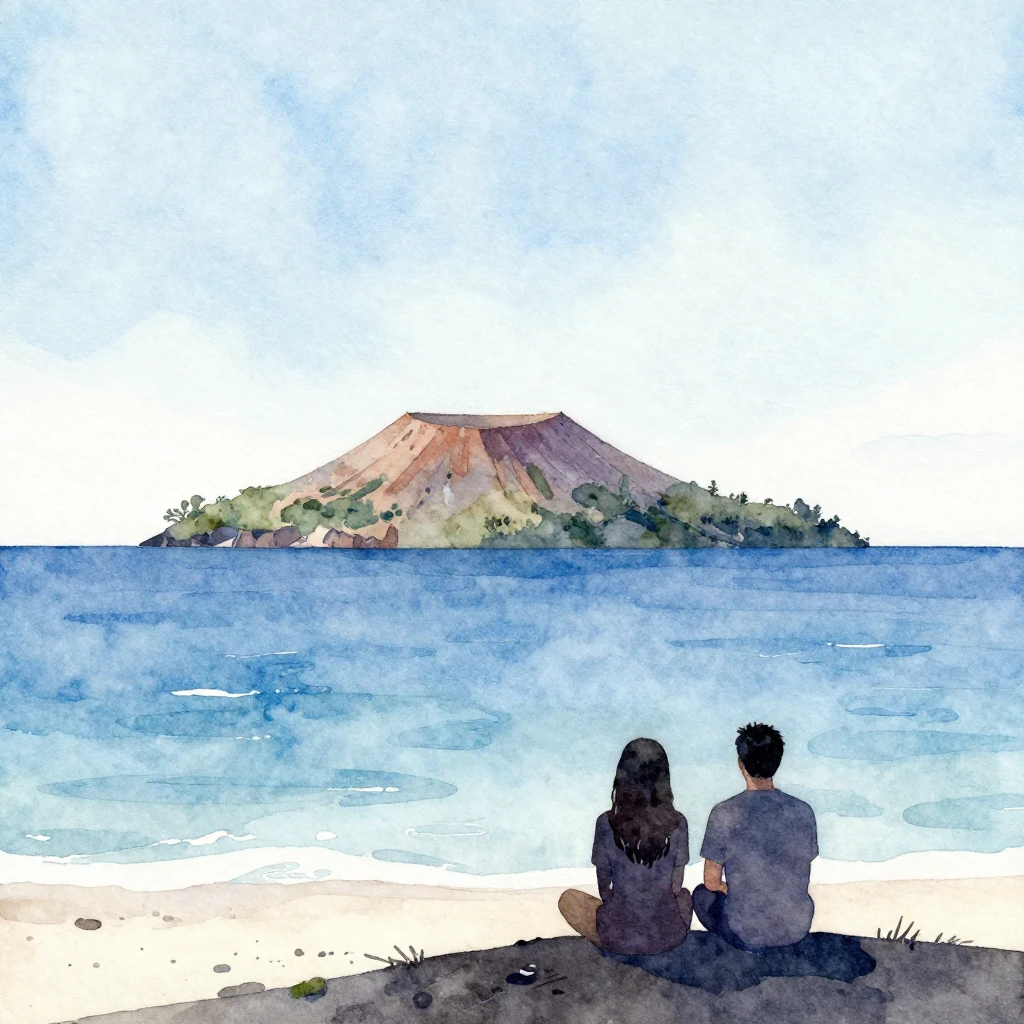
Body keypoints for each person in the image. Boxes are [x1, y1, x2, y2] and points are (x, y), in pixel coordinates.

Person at [558, 738, 692, 954]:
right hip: (668, 936)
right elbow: (676, 886)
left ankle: (618, 939)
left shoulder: (605, 823)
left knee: (569, 899)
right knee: (685, 895)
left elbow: (604, 889)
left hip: (619, 938)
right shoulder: (678, 823)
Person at [692, 722, 818, 952]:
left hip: (746, 931)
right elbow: (799, 866)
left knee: (702, 895)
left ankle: (748, 948)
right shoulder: (803, 811)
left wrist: (739, 891)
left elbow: (712, 882)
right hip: (796, 928)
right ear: (777, 762)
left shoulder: (724, 813)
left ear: (741, 763)